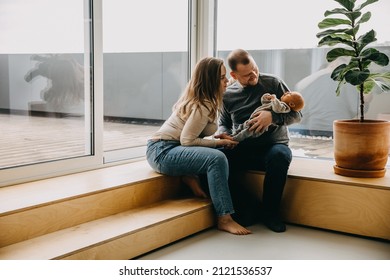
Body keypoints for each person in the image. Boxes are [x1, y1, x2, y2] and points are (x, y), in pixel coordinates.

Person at [146, 57, 251, 235]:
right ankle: (224, 218)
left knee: (224, 149)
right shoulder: (202, 104)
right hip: (162, 151)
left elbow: (192, 134)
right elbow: (187, 141)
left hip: (173, 146)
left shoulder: (207, 100)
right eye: (222, 78)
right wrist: (219, 142)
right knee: (217, 157)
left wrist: (218, 138)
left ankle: (189, 176)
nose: (227, 81)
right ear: (210, 81)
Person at [218, 49, 302, 232]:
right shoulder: (228, 95)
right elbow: (223, 123)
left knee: (280, 156)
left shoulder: (273, 83)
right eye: (247, 74)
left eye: (255, 69)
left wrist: (272, 117)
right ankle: (248, 206)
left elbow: (297, 115)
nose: (254, 75)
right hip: (242, 146)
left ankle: (270, 213)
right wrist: (224, 134)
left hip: (273, 146)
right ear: (233, 75)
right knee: (215, 159)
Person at [232, 91, 304, 142]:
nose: (286, 92)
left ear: (291, 104)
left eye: (289, 94)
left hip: (259, 125)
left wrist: (274, 100)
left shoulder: (285, 107)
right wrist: (266, 97)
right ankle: (233, 135)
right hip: (254, 119)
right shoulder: (278, 102)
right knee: (243, 126)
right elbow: (264, 103)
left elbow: (277, 109)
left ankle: (236, 139)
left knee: (247, 131)